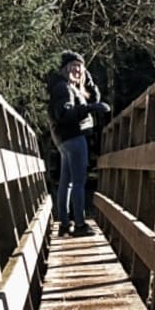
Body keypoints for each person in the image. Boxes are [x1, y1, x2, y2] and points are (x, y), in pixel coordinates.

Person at [48, 50, 109, 236]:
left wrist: (87, 78)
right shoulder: (63, 88)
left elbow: (93, 97)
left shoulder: (69, 87)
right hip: (73, 137)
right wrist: (90, 108)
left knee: (66, 183)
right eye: (73, 65)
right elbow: (64, 114)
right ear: (65, 68)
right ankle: (80, 225)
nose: (77, 69)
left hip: (66, 140)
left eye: (80, 66)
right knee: (78, 182)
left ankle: (65, 224)